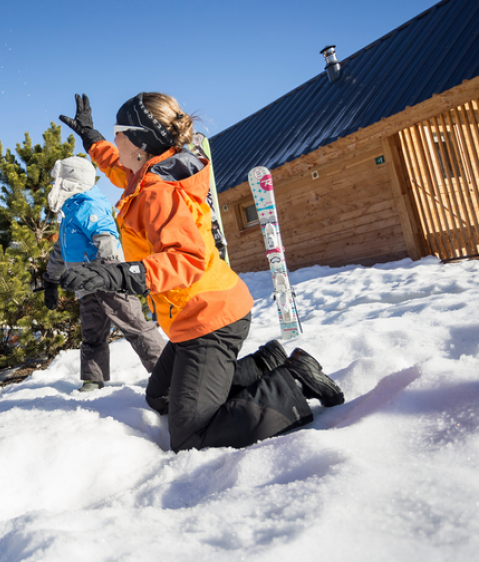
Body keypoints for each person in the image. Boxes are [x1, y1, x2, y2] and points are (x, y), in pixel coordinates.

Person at [59, 93, 344, 452]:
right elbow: (118, 165)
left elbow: (187, 258)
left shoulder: (159, 193)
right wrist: (91, 138)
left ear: (141, 142)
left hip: (211, 318)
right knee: (160, 397)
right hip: (191, 317)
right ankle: (266, 362)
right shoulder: (148, 172)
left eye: (119, 132)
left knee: (191, 435)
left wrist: (114, 275)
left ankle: (293, 382)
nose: (114, 140)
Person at [43, 156, 165, 392]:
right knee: (92, 333)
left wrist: (108, 271)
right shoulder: (69, 214)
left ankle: (166, 373)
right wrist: (51, 279)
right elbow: (61, 251)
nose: (54, 186)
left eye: (58, 181)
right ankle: (92, 379)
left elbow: (106, 236)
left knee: (135, 325)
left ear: (71, 182)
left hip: (109, 281)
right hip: (87, 287)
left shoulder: (88, 205)